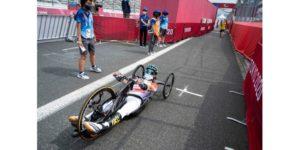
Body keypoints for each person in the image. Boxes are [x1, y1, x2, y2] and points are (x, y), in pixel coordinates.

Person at [68, 64, 159, 134]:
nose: (148, 73)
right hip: (125, 95)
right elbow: (126, 81)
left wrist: (143, 84)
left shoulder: (154, 84)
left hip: (137, 99)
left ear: (154, 75)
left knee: (123, 111)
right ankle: (85, 118)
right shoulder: (137, 78)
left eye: (151, 72)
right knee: (108, 104)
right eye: (147, 70)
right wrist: (118, 76)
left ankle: (102, 126)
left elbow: (152, 88)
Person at [75, 0, 102, 80]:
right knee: (83, 55)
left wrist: (94, 35)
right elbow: (78, 26)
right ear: (84, 3)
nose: (91, 4)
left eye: (91, 3)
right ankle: (81, 73)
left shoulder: (90, 12)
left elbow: (91, 25)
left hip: (91, 36)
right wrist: (79, 39)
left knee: (92, 53)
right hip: (83, 38)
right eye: (89, 3)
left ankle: (93, 67)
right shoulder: (80, 12)